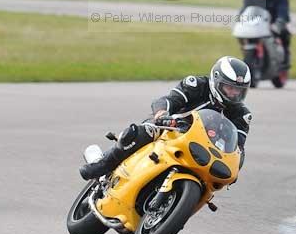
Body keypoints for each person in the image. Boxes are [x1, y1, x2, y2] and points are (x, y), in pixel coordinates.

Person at [80, 56, 252, 180]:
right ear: (216, 80)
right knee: (142, 131)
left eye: (239, 90)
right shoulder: (197, 85)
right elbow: (167, 100)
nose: (234, 93)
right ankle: (103, 164)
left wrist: (235, 166)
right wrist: (162, 114)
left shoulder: (242, 114)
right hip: (170, 128)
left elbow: (238, 148)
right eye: (229, 88)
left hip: (202, 150)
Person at [240, 0, 292, 70]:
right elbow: (244, 10)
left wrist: (280, 22)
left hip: (274, 22)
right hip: (256, 24)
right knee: (245, 37)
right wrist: (241, 20)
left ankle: (285, 58)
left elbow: (283, 9)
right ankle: (249, 55)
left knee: (285, 33)